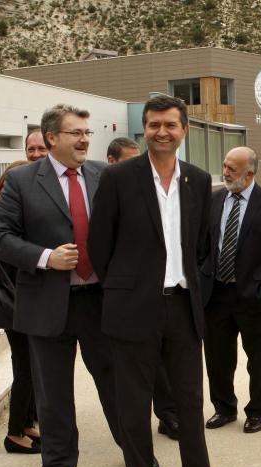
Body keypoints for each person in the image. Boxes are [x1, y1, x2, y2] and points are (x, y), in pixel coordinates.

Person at [0, 104, 123, 467]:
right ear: (51, 138)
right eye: (75, 133)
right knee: (53, 397)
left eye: (86, 133)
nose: (84, 140)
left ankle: (136, 453)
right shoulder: (22, 181)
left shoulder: (105, 176)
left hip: (99, 302)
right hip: (47, 305)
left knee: (116, 385)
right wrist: (46, 258)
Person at [87, 94, 215, 467]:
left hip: (182, 308)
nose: (162, 132)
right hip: (132, 309)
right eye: (154, 125)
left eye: (170, 125)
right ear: (145, 129)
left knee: (190, 404)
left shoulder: (199, 180)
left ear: (184, 130)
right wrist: (128, 287)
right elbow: (98, 247)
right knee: (134, 406)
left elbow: (202, 247)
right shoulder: (118, 178)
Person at [200, 146, 261, 434]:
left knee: (258, 360)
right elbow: (202, 244)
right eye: (224, 165)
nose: (225, 172)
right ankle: (224, 408)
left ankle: (258, 411)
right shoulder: (213, 199)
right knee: (217, 357)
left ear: (249, 174)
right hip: (216, 293)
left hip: (252, 295)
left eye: (232, 169)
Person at [105, 135, 182, 441]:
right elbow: (101, 245)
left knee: (161, 362)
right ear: (112, 161)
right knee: (127, 368)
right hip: (119, 292)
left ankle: (168, 414)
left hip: (155, 290)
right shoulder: (107, 185)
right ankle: (133, 437)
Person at [0, 159, 42, 455]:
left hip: (17, 298)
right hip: (14, 300)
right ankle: (15, 433)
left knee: (30, 365)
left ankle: (27, 423)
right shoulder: (0, 215)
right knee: (26, 367)